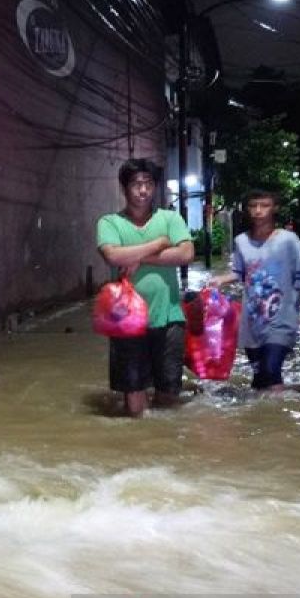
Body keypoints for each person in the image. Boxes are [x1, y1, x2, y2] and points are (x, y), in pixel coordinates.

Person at [96, 159, 195, 416]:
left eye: (148, 184)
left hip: (170, 316)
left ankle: (164, 447)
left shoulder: (170, 218)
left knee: (169, 391)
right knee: (134, 396)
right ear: (124, 188)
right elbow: (112, 256)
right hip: (125, 320)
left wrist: (139, 257)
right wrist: (158, 244)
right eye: (136, 184)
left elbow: (186, 254)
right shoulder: (109, 223)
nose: (142, 190)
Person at [208, 188, 300, 392]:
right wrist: (220, 279)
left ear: (275, 208)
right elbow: (241, 273)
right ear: (247, 210)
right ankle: (268, 411)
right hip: (252, 322)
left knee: (271, 369)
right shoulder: (241, 241)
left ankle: (277, 419)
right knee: (259, 380)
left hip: (282, 318)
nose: (258, 211)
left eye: (264, 206)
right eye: (253, 206)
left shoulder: (288, 240)